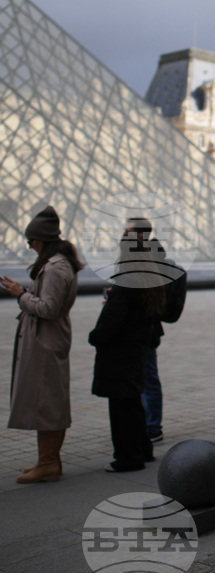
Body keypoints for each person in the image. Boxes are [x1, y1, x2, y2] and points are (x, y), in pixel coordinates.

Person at [2, 206, 84, 483]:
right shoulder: (57, 265)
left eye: (31, 241)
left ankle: (48, 462)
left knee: (47, 402)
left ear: (43, 240)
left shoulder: (55, 268)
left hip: (46, 341)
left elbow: (48, 308)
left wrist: (20, 294)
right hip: (46, 339)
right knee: (45, 400)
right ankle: (48, 460)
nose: (30, 245)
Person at [90, 231, 167, 472]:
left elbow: (113, 321)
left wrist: (95, 336)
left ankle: (128, 457)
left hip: (120, 355)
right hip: (137, 350)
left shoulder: (126, 280)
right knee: (133, 404)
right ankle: (142, 449)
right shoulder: (148, 279)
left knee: (121, 408)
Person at [122, 219, 188, 444]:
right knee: (145, 379)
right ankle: (148, 425)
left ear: (140, 236)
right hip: (144, 328)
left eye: (127, 231)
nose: (123, 234)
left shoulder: (147, 261)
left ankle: (152, 427)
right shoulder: (143, 257)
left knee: (148, 379)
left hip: (144, 328)